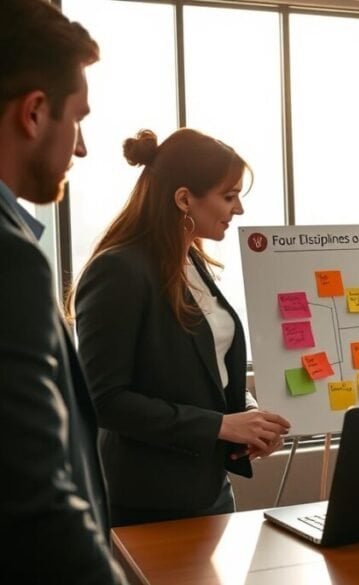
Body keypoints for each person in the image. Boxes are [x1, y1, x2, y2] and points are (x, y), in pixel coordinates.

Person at [71, 128, 291, 526]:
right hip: (144, 503)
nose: (238, 209)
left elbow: (205, 368)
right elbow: (104, 400)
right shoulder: (118, 270)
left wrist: (248, 417)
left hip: (209, 489)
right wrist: (221, 425)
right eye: (229, 196)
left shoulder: (191, 262)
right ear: (185, 199)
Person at [0, 1, 126, 581]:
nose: (80, 148)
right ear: (34, 113)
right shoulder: (11, 258)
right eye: (78, 119)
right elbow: (35, 500)